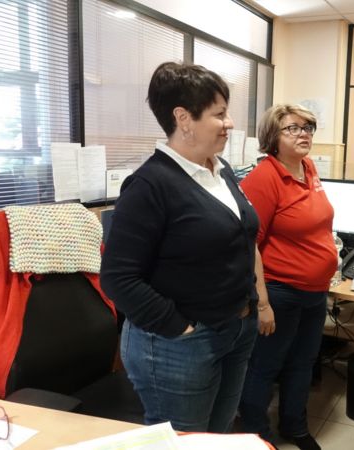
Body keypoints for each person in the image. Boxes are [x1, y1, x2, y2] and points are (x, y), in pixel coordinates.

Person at [100, 62, 270, 433]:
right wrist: (180, 327)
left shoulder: (220, 169)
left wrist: (254, 305)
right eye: (219, 114)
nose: (229, 123)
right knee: (186, 442)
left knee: (217, 435)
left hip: (235, 329)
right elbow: (117, 277)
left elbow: (241, 240)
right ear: (184, 119)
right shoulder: (149, 185)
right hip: (179, 345)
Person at [238, 104, 337, 450]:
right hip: (280, 292)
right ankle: (255, 433)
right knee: (266, 366)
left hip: (314, 291)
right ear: (272, 138)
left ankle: (294, 426)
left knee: (303, 363)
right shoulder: (264, 178)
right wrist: (261, 302)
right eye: (293, 128)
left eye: (308, 127)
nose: (304, 133)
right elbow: (248, 244)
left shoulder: (308, 168)